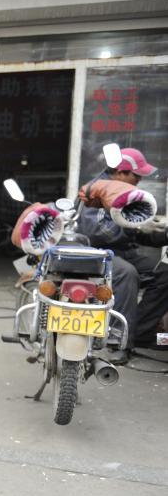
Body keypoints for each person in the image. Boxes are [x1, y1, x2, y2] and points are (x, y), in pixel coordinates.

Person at [78, 147, 168, 364]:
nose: (139, 180)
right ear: (120, 172)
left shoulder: (126, 193)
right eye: (136, 175)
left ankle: (139, 332)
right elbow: (97, 231)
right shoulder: (98, 190)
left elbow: (136, 231)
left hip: (122, 251)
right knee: (127, 274)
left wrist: (162, 234)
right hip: (97, 253)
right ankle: (119, 341)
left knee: (164, 274)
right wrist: (135, 228)